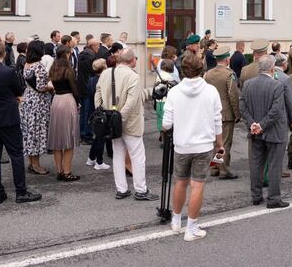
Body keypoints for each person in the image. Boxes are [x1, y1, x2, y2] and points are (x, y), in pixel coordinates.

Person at [163, 53, 224, 241]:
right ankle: (191, 227)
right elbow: (217, 120)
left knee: (180, 182)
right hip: (203, 145)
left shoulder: (174, 92)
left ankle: (176, 220)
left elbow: (166, 124)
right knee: (197, 186)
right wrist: (219, 144)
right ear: (201, 69)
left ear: (182, 71)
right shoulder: (211, 91)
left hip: (182, 144)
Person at [0, 39, 41, 205]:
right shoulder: (8, 72)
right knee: (16, 155)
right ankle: (21, 191)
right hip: (9, 118)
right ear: (4, 54)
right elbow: (20, 90)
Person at [96, 49, 158, 201]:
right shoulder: (133, 76)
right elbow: (131, 102)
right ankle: (141, 190)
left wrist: (101, 112)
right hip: (129, 122)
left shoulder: (105, 73)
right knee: (137, 156)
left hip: (110, 120)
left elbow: (97, 93)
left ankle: (121, 189)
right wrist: (120, 118)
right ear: (132, 61)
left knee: (118, 155)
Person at [239, 55, 288, 209]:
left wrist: (253, 123)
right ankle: (273, 198)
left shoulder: (247, 84)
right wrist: (261, 125)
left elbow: (242, 107)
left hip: (255, 130)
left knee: (256, 165)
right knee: (274, 165)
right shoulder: (277, 85)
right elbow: (276, 110)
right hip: (273, 131)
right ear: (272, 68)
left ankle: (256, 196)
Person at [204, 46, 240, 180]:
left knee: (215, 142)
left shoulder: (208, 74)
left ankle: (214, 167)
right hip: (225, 113)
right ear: (227, 59)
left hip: (211, 112)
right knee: (225, 143)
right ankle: (224, 170)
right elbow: (233, 96)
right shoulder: (229, 74)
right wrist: (237, 114)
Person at [48, 45, 81, 181]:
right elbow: (74, 89)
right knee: (68, 138)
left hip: (56, 101)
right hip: (67, 100)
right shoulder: (69, 70)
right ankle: (67, 171)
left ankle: (60, 171)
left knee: (57, 138)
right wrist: (78, 102)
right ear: (67, 54)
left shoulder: (53, 69)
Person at [21, 40, 53, 175]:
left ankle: (31, 163)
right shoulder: (38, 66)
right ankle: (36, 165)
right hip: (38, 103)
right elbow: (40, 87)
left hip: (28, 99)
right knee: (37, 133)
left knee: (29, 133)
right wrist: (50, 87)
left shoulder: (26, 64)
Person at [86, 58, 112, 170]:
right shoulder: (102, 79)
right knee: (101, 137)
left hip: (95, 110)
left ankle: (91, 158)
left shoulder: (91, 79)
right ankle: (99, 162)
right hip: (101, 111)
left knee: (98, 136)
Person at [77, 37, 98, 144]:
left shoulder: (81, 54)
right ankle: (87, 135)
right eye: (97, 46)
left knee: (83, 113)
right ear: (93, 46)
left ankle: (82, 134)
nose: (98, 48)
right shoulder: (91, 57)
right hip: (88, 88)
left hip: (81, 87)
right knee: (89, 112)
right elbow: (93, 72)